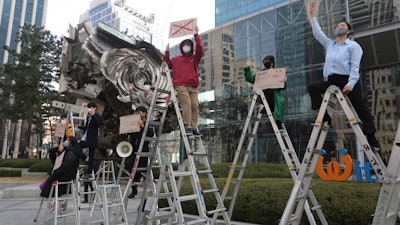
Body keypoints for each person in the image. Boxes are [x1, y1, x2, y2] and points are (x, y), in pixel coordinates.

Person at [307, 1, 380, 151]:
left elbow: (355, 67)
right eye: (337, 25)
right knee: (313, 87)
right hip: (332, 81)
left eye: (342, 26)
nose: (338, 27)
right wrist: (312, 15)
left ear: (348, 31)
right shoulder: (330, 44)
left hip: (347, 80)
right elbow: (317, 33)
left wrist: (351, 84)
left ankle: (372, 140)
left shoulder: (353, 46)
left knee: (360, 108)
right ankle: (326, 116)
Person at [163, 26, 204, 136]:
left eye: (188, 45)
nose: (186, 47)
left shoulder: (195, 58)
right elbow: (167, 64)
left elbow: (200, 48)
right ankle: (188, 126)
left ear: (191, 47)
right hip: (181, 85)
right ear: (182, 47)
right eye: (185, 45)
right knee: (187, 104)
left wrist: (196, 35)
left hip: (193, 85)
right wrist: (167, 53)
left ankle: (194, 126)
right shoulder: (176, 59)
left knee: (195, 106)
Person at [244, 55, 286, 129]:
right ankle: (269, 108)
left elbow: (283, 86)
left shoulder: (278, 73)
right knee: (267, 91)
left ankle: (278, 121)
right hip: (265, 97)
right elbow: (249, 78)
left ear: (272, 63)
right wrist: (247, 67)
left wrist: (283, 81)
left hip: (275, 97)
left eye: (267, 62)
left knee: (279, 103)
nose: (265, 63)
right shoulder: (262, 74)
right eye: (264, 62)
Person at [125, 106, 155, 198]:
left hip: (143, 150)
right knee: (129, 165)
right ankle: (134, 188)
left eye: (139, 112)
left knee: (137, 166)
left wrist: (142, 126)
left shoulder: (148, 123)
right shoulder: (134, 123)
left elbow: (150, 134)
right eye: (136, 112)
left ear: (144, 113)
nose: (137, 114)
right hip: (133, 149)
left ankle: (137, 182)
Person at [79, 102, 101, 177]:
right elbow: (87, 127)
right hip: (86, 137)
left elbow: (98, 124)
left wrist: (93, 115)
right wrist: (79, 127)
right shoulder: (88, 117)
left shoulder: (97, 116)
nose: (89, 109)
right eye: (89, 108)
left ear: (95, 108)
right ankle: (85, 158)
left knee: (92, 155)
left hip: (92, 138)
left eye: (91, 107)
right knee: (77, 147)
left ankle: (89, 171)